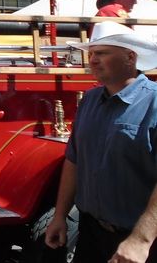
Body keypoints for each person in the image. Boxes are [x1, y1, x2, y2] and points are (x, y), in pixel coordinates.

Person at [45, 21, 157, 263]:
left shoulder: (154, 103)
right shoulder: (90, 100)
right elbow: (74, 160)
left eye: (102, 53)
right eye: (91, 53)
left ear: (130, 57)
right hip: (91, 234)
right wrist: (60, 216)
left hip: (142, 244)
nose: (93, 60)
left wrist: (142, 240)